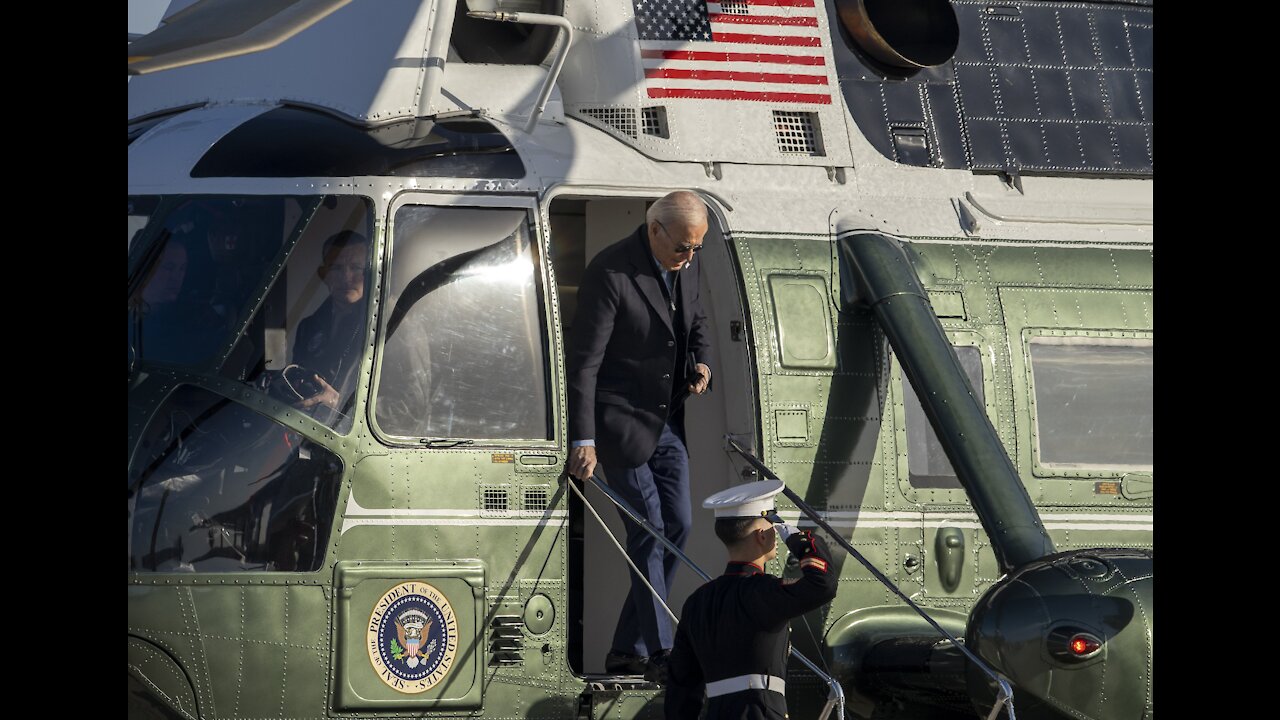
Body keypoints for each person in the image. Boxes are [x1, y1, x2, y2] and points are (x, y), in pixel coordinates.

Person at [566, 190, 717, 678]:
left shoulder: (686, 264)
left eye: (697, 248)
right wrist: (582, 439)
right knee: (648, 529)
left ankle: (627, 647)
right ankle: (658, 651)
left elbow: (697, 325)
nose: (689, 257)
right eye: (683, 248)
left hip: (666, 419)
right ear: (655, 230)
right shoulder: (611, 272)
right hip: (618, 420)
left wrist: (703, 362)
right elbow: (584, 363)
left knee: (679, 527)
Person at [664, 480, 838, 719]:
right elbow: (823, 584)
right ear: (762, 536)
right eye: (774, 526)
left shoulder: (697, 602)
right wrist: (800, 540)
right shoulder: (764, 592)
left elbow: (681, 687)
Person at [291, 230, 370, 417]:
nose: (346, 278)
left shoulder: (390, 327)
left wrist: (340, 405)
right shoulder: (307, 328)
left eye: (356, 268)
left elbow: (409, 406)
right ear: (323, 274)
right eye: (336, 268)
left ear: (369, 273)